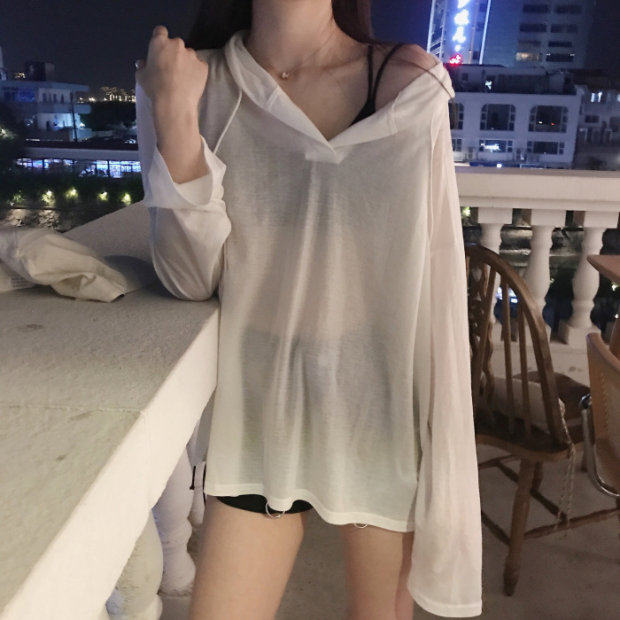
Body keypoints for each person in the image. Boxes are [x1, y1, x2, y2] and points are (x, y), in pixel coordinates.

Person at [135, 1, 482, 618]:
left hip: (376, 405)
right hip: (257, 409)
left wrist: (443, 442)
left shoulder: (406, 82)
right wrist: (175, 117)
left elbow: (434, 277)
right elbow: (190, 280)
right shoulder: (189, 81)